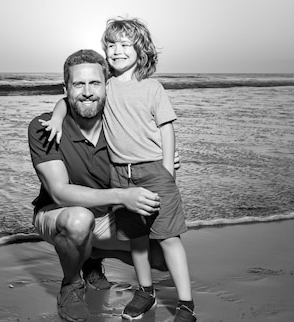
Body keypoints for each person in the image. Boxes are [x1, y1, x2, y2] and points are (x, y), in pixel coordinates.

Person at [42, 18, 196, 321]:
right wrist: (58, 120)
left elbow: (167, 129)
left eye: (125, 44)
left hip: (154, 171)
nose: (117, 50)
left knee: (168, 239)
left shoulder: (152, 87)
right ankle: (145, 292)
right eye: (111, 45)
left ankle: (186, 305)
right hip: (120, 175)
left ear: (141, 50)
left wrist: (167, 169)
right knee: (136, 239)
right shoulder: (106, 87)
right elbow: (66, 100)